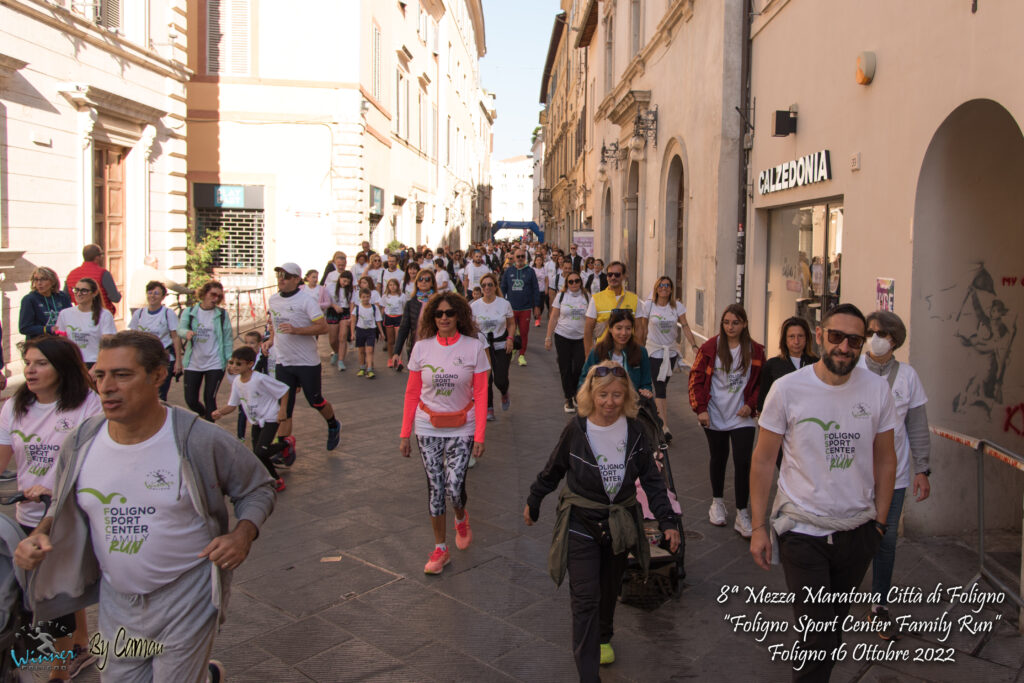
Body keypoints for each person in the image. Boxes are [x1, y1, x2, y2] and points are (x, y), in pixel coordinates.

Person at [14, 331, 276, 683]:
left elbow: (258, 487)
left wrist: (243, 534)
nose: (106, 387)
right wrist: (40, 535)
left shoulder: (197, 438)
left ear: (157, 376)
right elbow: (58, 507)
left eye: (122, 375)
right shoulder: (80, 442)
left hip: (187, 595)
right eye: (100, 375)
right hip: (117, 600)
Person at [749, 303, 898, 683]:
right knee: (817, 631)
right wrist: (758, 527)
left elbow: (885, 461)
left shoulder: (878, 390)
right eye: (836, 337)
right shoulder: (787, 389)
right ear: (820, 336)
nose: (844, 347)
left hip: (858, 531)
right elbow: (764, 461)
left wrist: (879, 525)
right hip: (802, 529)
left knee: (830, 631)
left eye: (854, 340)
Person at [524, 361, 680, 681]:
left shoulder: (635, 432)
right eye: (603, 395)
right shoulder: (577, 429)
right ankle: (588, 676)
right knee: (585, 598)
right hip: (581, 521)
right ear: (591, 395)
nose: (609, 402)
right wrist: (534, 500)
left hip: (619, 524)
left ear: (627, 398)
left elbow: (652, 480)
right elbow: (554, 468)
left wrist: (668, 520)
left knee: (608, 592)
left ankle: (605, 634)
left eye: (617, 396)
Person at [0, 335, 102, 680]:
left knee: (57, 593)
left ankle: (59, 672)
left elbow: (98, 458)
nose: (30, 369)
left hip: (70, 514)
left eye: (41, 363)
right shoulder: (14, 407)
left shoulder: (88, 404)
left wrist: (56, 488)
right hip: (26, 516)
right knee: (55, 588)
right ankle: (82, 643)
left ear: (62, 367)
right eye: (28, 362)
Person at [399, 292, 489, 575]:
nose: (445, 318)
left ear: (459, 315)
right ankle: (440, 548)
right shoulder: (421, 348)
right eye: (439, 314)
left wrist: (480, 436)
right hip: (427, 426)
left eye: (450, 313)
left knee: (455, 486)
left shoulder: (473, 347)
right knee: (436, 487)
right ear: (432, 318)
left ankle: (461, 516)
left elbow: (482, 392)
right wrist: (405, 432)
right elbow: (412, 392)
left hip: (463, 425)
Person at [860, 311, 931, 639]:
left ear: (895, 340)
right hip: (853, 474)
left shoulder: (908, 377)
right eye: (871, 331)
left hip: (896, 475)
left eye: (882, 333)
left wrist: (922, 468)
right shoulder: (853, 370)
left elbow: (916, 425)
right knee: (851, 536)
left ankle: (879, 604)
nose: (875, 337)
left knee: (885, 540)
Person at [688, 304, 764, 537]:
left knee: (743, 462)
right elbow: (696, 377)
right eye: (727, 322)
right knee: (718, 458)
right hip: (715, 413)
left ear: (744, 324)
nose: (730, 327)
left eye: (735, 322)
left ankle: (742, 512)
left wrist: (751, 404)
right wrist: (700, 408)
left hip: (743, 416)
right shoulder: (710, 347)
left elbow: (761, 383)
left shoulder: (756, 350)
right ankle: (717, 502)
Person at [265, 262, 342, 452]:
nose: (281, 279)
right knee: (285, 405)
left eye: (285, 276)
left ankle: (333, 424)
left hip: (306, 362)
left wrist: (296, 330)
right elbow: (275, 322)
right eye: (279, 275)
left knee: (315, 400)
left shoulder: (306, 301)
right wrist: (271, 340)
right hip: (283, 361)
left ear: (296, 279)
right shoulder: (273, 300)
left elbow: (322, 327)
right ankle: (284, 446)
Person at [212, 346, 292, 492]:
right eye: (232, 363)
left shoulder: (260, 379)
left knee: (261, 452)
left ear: (249, 364)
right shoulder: (237, 382)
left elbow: (284, 390)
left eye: (238, 364)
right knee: (258, 454)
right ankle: (285, 445)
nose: (234, 367)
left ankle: (277, 478)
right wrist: (220, 412)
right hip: (256, 420)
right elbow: (232, 404)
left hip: (270, 417)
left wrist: (282, 410)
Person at [640, 276, 700, 441]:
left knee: (661, 387)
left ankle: (652, 413)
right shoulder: (649, 305)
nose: (664, 288)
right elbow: (643, 328)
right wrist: (639, 349)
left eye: (667, 285)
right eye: (661, 285)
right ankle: (663, 427)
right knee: (660, 388)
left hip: (671, 352)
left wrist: (694, 345)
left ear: (671, 289)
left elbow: (685, 326)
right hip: (654, 350)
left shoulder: (677, 306)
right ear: (656, 287)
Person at [758, 316, 819, 468]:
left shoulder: (817, 364)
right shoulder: (773, 366)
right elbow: (763, 403)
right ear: (785, 340)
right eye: (791, 336)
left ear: (807, 339)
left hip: (811, 429)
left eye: (800, 336)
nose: (796, 341)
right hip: (783, 430)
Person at [177, 280, 232, 421]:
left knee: (210, 398)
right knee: (190, 399)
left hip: (215, 362)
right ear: (204, 294)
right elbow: (180, 329)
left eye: (219, 297)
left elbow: (227, 338)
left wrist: (229, 360)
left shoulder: (221, 314)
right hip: (193, 362)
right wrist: (186, 333)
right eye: (213, 295)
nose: (215, 299)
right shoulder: (189, 312)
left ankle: (210, 429)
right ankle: (204, 416)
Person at [579, 309, 653, 401]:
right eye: (619, 328)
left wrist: (646, 391)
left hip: (632, 406)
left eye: (628, 328)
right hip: (604, 406)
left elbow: (646, 383)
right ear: (610, 328)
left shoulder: (641, 352)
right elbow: (584, 381)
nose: (624, 333)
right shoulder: (597, 351)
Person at [128, 281, 183, 401]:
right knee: (143, 391)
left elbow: (175, 337)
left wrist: (178, 361)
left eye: (157, 293)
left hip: (163, 359)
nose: (152, 296)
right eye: (150, 292)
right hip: (144, 359)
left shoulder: (168, 314)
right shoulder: (139, 313)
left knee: (160, 395)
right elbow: (132, 337)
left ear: (163, 297)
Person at [471, 273, 514, 421]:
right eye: (484, 285)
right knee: (485, 379)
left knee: (500, 379)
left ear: (495, 286)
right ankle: (489, 407)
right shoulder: (474, 306)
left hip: (501, 344)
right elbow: (470, 327)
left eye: (490, 284)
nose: (487, 287)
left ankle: (504, 392)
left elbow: (511, 323)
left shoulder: (504, 304)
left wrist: (510, 338)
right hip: (483, 347)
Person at [545, 270, 590, 413]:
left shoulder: (587, 297)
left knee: (579, 367)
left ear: (581, 282)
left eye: (577, 281)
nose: (574, 284)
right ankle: (568, 397)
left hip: (581, 338)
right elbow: (553, 317)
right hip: (562, 336)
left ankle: (576, 392)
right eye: (571, 281)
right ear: (567, 283)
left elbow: (591, 319)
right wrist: (548, 337)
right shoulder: (561, 296)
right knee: (565, 368)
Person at [55, 277, 117, 368]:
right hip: (72, 362)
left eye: (84, 291)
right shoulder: (65, 314)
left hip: (95, 362)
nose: (79, 294)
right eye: (76, 290)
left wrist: (96, 367)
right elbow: (62, 342)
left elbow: (107, 345)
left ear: (94, 293)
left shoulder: (105, 315)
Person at [583, 261, 639, 358]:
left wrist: (638, 353)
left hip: (628, 353)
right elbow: (588, 330)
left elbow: (639, 329)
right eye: (610, 274)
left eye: (617, 275)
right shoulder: (596, 299)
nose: (613, 277)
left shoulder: (634, 299)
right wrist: (588, 355)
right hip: (603, 352)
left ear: (624, 276)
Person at [499, 248, 541, 366]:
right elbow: (503, 288)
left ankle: (521, 355)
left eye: (523, 256)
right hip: (511, 309)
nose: (521, 259)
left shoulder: (530, 271)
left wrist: (536, 306)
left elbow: (535, 289)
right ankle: (512, 350)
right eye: (518, 256)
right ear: (514, 258)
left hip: (525, 308)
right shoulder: (508, 271)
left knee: (523, 332)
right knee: (510, 332)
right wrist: (500, 303)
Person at [392, 269, 437, 370]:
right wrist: (396, 352)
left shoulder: (439, 302)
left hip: (436, 348)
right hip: (416, 348)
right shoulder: (411, 304)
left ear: (432, 283)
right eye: (420, 279)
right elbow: (403, 328)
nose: (423, 281)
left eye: (427, 279)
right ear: (416, 283)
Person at [65, 244, 121, 316]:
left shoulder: (72, 274)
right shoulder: (103, 273)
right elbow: (115, 298)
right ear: (97, 257)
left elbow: (66, 298)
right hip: (100, 315)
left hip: (79, 315)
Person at [20, 266, 72, 340]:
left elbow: (70, 318)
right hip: (40, 344)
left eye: (43, 279)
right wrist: (48, 329)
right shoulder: (29, 299)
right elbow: (25, 328)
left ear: (53, 281)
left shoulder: (62, 297)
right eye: (36, 280)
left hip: (60, 342)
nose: (39, 283)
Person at [324, 269, 354, 371]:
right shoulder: (330, 287)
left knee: (342, 337)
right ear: (340, 278)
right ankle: (336, 352)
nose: (345, 284)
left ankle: (341, 360)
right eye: (344, 281)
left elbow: (351, 303)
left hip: (345, 313)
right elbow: (326, 300)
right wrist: (334, 305)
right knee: (332, 339)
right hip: (333, 311)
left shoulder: (350, 290)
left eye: (347, 282)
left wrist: (351, 316)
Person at [351, 287, 384, 378]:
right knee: (361, 350)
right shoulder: (357, 308)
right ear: (360, 297)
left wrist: (381, 332)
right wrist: (352, 333)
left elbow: (378, 320)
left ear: (370, 297)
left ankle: (369, 369)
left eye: (367, 297)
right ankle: (362, 368)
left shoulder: (374, 308)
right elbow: (353, 320)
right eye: (364, 297)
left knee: (370, 350)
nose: (366, 299)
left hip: (371, 331)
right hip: (360, 330)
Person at [381, 277, 407, 368]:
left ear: (397, 286)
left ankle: (400, 360)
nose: (392, 287)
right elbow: (383, 308)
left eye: (394, 285)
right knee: (390, 341)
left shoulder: (402, 296)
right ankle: (390, 359)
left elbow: (404, 307)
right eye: (390, 285)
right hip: (389, 318)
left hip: (399, 318)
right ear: (388, 286)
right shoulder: (385, 296)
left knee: (398, 340)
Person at [532, 253, 549, 323]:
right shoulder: (532, 269)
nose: (539, 261)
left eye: (540, 260)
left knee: (541, 306)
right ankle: (536, 318)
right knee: (535, 305)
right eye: (537, 260)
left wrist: (546, 289)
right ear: (535, 261)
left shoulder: (544, 269)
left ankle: (539, 315)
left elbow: (546, 280)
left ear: (542, 261)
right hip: (534, 290)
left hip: (542, 290)